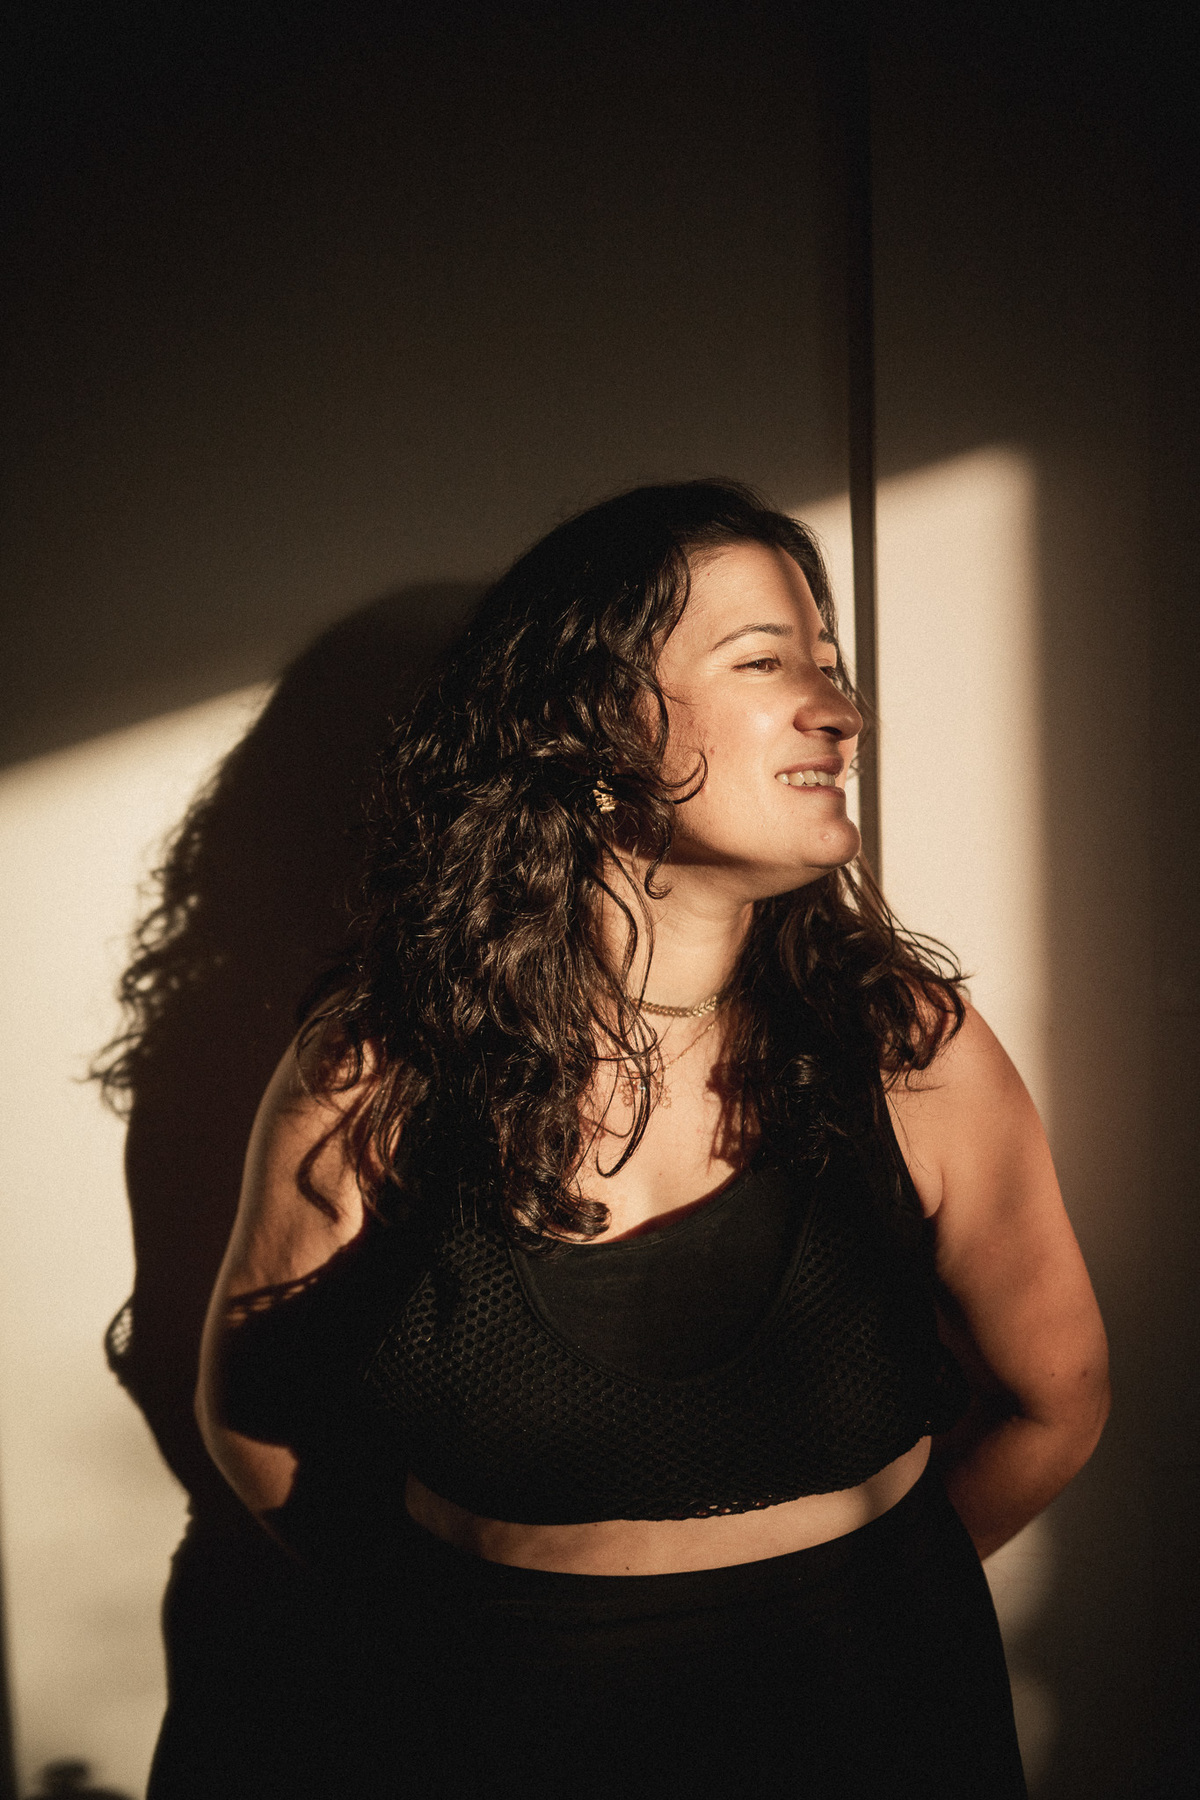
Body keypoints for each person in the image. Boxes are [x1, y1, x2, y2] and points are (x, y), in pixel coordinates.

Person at [195, 481, 1109, 1798]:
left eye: (833, 667)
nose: (841, 712)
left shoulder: (904, 1047)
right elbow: (259, 1417)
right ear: (585, 720)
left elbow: (1057, 1401)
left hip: (878, 1728)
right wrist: (482, 1644)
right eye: (767, 662)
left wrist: (860, 1613)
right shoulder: (382, 1068)